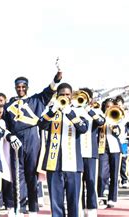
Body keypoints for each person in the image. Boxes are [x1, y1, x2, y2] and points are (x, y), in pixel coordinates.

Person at [2, 71, 62, 215]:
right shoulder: (8, 105)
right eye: (18, 87)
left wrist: (57, 77)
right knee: (18, 175)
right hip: (16, 140)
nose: (21, 89)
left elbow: (50, 90)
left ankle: (33, 208)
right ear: (15, 88)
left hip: (32, 138)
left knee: (32, 175)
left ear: (27, 87)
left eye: (23, 87)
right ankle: (20, 208)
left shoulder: (37, 100)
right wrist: (10, 136)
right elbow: (5, 127)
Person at [38, 83, 89, 217]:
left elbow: (83, 128)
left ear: (71, 96)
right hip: (53, 163)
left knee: (74, 203)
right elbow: (41, 124)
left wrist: (70, 113)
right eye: (62, 94)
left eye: (67, 95)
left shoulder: (79, 110)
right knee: (56, 204)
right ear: (57, 95)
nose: (65, 97)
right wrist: (53, 110)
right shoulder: (50, 109)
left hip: (73, 164)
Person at [74, 88, 105, 217]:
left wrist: (89, 110)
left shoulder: (96, 111)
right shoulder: (74, 110)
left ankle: (91, 208)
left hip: (91, 152)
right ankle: (79, 208)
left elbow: (101, 122)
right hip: (76, 152)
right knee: (78, 183)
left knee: (91, 181)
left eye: (85, 97)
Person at [97, 98, 121, 208]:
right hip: (102, 148)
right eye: (107, 106)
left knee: (114, 174)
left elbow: (120, 132)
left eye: (111, 107)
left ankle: (112, 198)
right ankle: (101, 197)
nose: (109, 109)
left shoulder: (118, 115)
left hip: (115, 148)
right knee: (101, 174)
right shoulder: (99, 116)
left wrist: (115, 126)